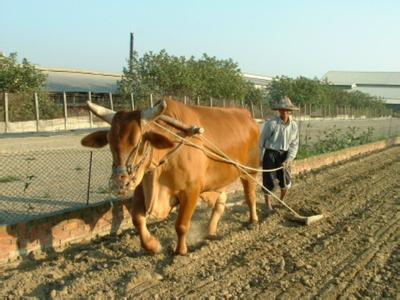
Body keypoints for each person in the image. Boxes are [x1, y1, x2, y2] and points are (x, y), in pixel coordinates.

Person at [259, 96, 299, 212]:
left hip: (284, 155)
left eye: (287, 110)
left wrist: (289, 158)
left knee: (285, 180)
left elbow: (294, 144)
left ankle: (282, 200)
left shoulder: (293, 126)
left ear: (290, 111)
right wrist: (260, 157)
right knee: (268, 180)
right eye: (282, 110)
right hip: (270, 154)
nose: (284, 112)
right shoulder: (271, 124)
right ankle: (268, 205)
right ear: (279, 111)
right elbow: (261, 142)